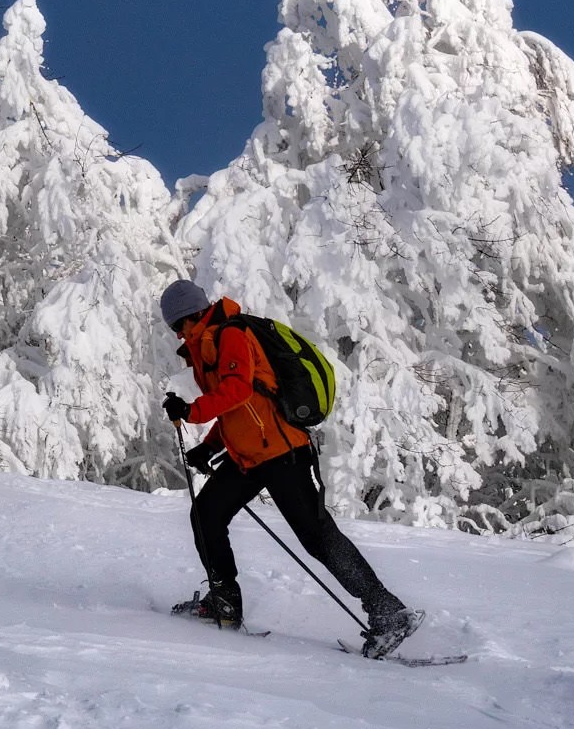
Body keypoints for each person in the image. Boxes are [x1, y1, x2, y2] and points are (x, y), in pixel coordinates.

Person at [156, 278, 422, 658]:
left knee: (316, 537)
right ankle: (225, 603)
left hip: (282, 454)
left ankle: (388, 612)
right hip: (250, 457)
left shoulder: (229, 335)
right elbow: (243, 407)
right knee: (206, 515)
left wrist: (191, 411)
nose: (177, 333)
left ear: (191, 315)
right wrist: (210, 446)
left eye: (177, 325)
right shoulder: (206, 345)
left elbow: (238, 390)